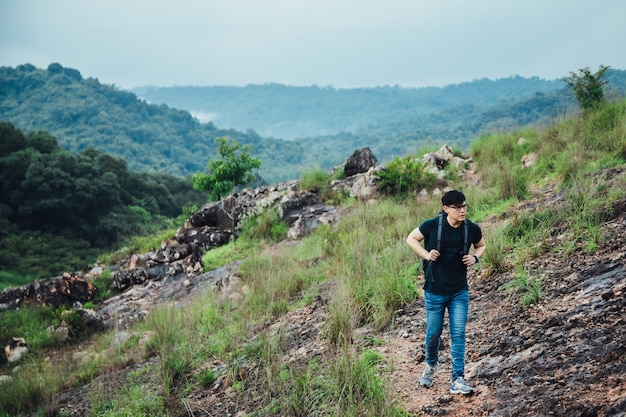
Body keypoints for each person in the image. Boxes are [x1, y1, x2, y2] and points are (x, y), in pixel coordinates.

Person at [406, 190, 486, 395]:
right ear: (446, 209)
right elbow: (411, 239)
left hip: (459, 290)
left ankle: (458, 378)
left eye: (465, 206)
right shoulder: (431, 225)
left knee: (458, 333)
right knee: (434, 333)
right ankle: (431, 365)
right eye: (458, 207)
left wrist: (475, 258)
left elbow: (482, 245)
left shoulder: (471, 228)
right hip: (435, 291)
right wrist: (427, 255)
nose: (463, 210)